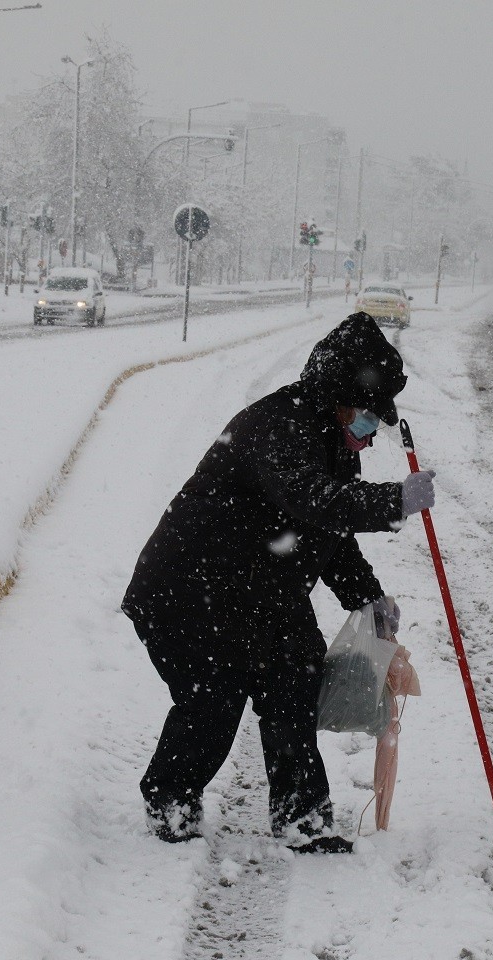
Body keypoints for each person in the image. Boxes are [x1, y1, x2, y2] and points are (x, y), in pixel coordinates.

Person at [122, 313, 436, 854]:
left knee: (295, 684)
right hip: (188, 591)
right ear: (338, 398)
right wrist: (393, 500)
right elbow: (312, 499)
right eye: (366, 417)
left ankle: (303, 819)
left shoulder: (333, 444)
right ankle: (170, 801)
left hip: (257, 591)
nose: (369, 434)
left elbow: (329, 531)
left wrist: (367, 597)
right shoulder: (277, 426)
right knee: (213, 700)